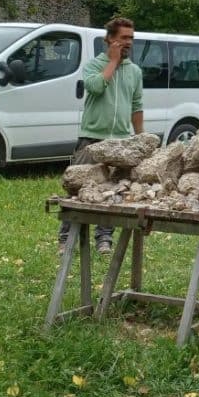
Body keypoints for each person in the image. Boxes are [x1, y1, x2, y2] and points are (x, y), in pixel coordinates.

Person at [58, 17, 144, 255]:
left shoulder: (135, 71)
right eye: (123, 38)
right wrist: (113, 62)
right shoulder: (94, 65)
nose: (128, 43)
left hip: (120, 141)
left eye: (131, 39)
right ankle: (66, 237)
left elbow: (137, 105)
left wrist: (141, 139)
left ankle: (104, 237)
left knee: (112, 190)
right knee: (77, 187)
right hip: (91, 137)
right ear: (110, 39)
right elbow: (95, 86)